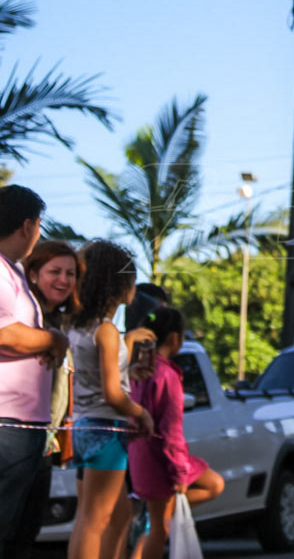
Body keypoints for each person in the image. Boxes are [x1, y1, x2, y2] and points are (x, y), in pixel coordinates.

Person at [67, 240, 154, 559]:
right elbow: (112, 394)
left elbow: (100, 378)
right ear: (118, 285)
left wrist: (128, 360)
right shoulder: (105, 330)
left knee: (114, 516)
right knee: (95, 519)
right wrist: (141, 413)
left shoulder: (79, 326)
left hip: (84, 426)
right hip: (107, 429)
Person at [0, 186, 69, 559]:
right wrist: (51, 340)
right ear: (28, 225)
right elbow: (4, 332)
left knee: (16, 531)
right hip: (6, 425)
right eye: (40, 226)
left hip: (22, 427)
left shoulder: (12, 272)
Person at [128, 307, 223, 559]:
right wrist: (179, 471)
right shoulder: (166, 375)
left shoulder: (137, 370)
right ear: (174, 338)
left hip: (142, 456)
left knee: (159, 521)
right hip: (160, 459)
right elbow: (171, 430)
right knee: (159, 528)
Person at [7, 241, 83, 557]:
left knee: (27, 530)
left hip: (43, 442)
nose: (64, 280)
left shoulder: (64, 325)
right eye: (55, 271)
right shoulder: (25, 321)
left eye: (70, 273)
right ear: (33, 275)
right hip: (15, 435)